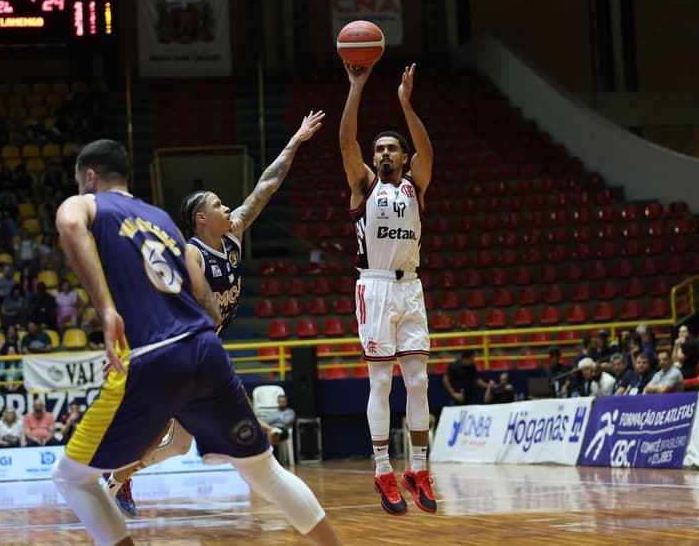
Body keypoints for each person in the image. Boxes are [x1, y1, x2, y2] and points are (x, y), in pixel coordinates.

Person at [51, 139, 340, 545]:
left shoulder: (89, 204)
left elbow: (68, 223)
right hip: (206, 348)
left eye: (80, 183)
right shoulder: (163, 221)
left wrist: (107, 311)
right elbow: (210, 308)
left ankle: (118, 480)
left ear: (91, 176)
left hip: (157, 354)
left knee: (70, 478)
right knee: (265, 473)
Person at [102, 110, 325, 517]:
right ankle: (259, 452)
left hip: (204, 348)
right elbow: (166, 302)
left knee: (179, 444)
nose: (228, 208)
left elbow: (266, 187)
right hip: (183, 351)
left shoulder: (234, 233)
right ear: (201, 218)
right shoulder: (189, 253)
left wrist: (294, 141)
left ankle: (115, 480)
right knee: (162, 431)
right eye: (219, 204)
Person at [340, 61, 436, 516]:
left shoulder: (416, 185)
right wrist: (356, 87)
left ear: (401, 157)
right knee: (381, 382)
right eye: (378, 149)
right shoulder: (363, 185)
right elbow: (346, 141)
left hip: (411, 287)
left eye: (390, 149)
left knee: (418, 381)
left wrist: (405, 103)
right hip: (375, 287)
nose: (382, 154)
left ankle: (418, 467)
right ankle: (382, 469)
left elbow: (427, 150)